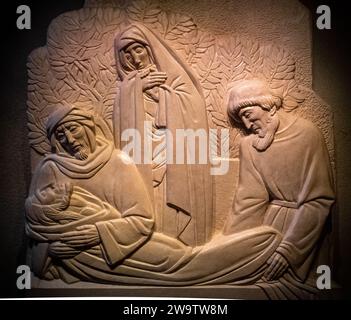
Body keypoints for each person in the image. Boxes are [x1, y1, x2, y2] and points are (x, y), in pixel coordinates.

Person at [26, 105, 297, 298]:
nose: (70, 140)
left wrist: (93, 233)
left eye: (73, 129)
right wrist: (54, 243)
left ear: (89, 127)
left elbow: (141, 220)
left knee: (179, 261)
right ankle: (256, 253)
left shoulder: (118, 163)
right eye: (60, 136)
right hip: (88, 261)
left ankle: (257, 251)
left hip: (121, 244)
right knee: (180, 271)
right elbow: (35, 226)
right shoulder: (50, 169)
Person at [224, 79, 335, 283]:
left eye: (248, 115)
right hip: (270, 230)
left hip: (305, 234)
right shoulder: (249, 146)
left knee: (307, 290)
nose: (247, 126)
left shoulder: (308, 135)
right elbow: (248, 201)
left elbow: (319, 200)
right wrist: (230, 246)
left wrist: (289, 251)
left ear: (270, 107)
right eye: (242, 120)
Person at [113, 24, 213, 246]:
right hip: (143, 156)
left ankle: (178, 246)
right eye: (127, 54)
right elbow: (121, 130)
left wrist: (161, 95)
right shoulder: (126, 88)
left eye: (138, 50)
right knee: (148, 202)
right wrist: (136, 90)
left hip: (173, 154)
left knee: (170, 206)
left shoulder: (176, 77)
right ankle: (150, 245)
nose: (135, 59)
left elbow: (193, 107)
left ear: (151, 48)